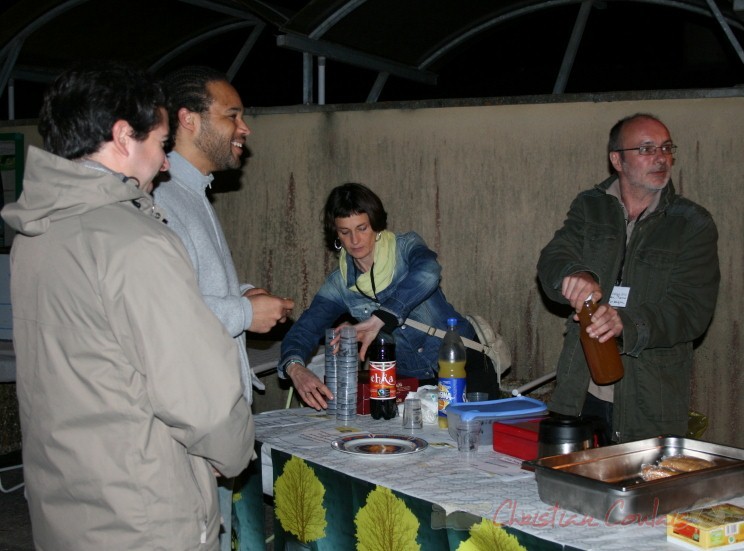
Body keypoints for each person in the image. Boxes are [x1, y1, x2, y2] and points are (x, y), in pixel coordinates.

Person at [0, 63, 253, 550]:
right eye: (160, 144)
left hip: (66, 503)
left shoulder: (34, 235)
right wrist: (234, 451)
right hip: (143, 512)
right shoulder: (136, 242)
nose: (164, 164)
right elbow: (196, 392)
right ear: (122, 137)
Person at [153, 65, 294, 550]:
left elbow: (191, 285)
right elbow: (164, 315)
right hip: (191, 428)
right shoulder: (165, 197)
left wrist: (244, 293)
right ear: (188, 120)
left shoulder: (192, 193)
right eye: (232, 115)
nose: (245, 128)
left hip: (207, 423)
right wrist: (242, 314)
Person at [537, 113, 720, 444]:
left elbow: (692, 311)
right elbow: (554, 257)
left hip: (647, 400)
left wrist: (627, 323)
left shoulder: (691, 224)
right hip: (579, 391)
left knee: (639, 491)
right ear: (617, 160)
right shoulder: (591, 206)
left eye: (665, 147)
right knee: (566, 493)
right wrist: (574, 274)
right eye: (646, 148)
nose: (660, 157)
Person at [278, 182, 501, 409]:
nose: (354, 240)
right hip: (412, 383)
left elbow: (429, 272)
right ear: (336, 235)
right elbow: (306, 328)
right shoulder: (339, 284)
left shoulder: (405, 248)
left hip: (463, 363)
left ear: (375, 224)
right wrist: (295, 368)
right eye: (345, 232)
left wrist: (383, 316)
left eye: (362, 228)